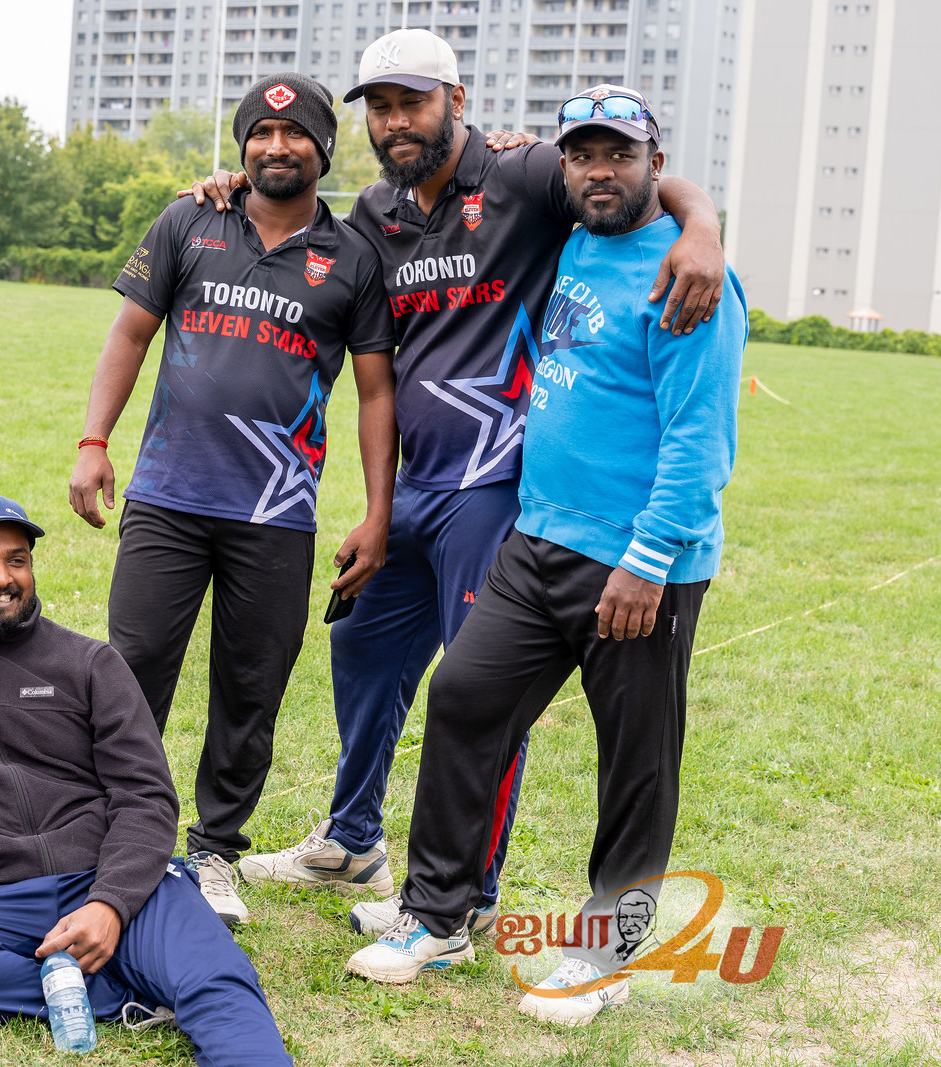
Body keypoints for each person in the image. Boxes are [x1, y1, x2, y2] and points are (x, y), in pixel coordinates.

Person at [182, 31, 728, 942]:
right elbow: (324, 264)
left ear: (457, 101)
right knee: (361, 640)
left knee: (484, 695)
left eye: (414, 102)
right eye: (381, 107)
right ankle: (352, 837)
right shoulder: (377, 209)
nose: (397, 121)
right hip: (418, 481)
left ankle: (470, 894)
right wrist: (240, 185)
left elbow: (629, 180)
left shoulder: (521, 176)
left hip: (498, 484)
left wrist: (702, 228)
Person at [343, 85, 747, 1028]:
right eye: (582, 156)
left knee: (635, 765)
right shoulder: (574, 241)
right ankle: (439, 915)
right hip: (537, 539)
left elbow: (700, 442)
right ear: (562, 166)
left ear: (655, 163)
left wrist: (648, 560)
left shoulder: (689, 276)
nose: (600, 172)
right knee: (464, 697)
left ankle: (607, 955)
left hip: (640, 565)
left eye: (620, 155)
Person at [67, 73, 399, 926]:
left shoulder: (353, 257)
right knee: (134, 672)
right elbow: (130, 332)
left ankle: (214, 851)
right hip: (168, 498)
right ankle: (117, 837)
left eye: (296, 136)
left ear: (325, 149)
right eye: (261, 135)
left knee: (251, 690)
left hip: (276, 513)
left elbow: (374, 393)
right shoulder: (190, 219)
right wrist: (94, 442)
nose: (277, 148)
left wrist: (377, 511)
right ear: (243, 145)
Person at [0, 492, 293, 1067]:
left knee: (218, 983)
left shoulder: (89, 662)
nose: (2, 578)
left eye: (17, 560)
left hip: (113, 875)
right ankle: (120, 996)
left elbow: (146, 796)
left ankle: (151, 973)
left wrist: (110, 905)